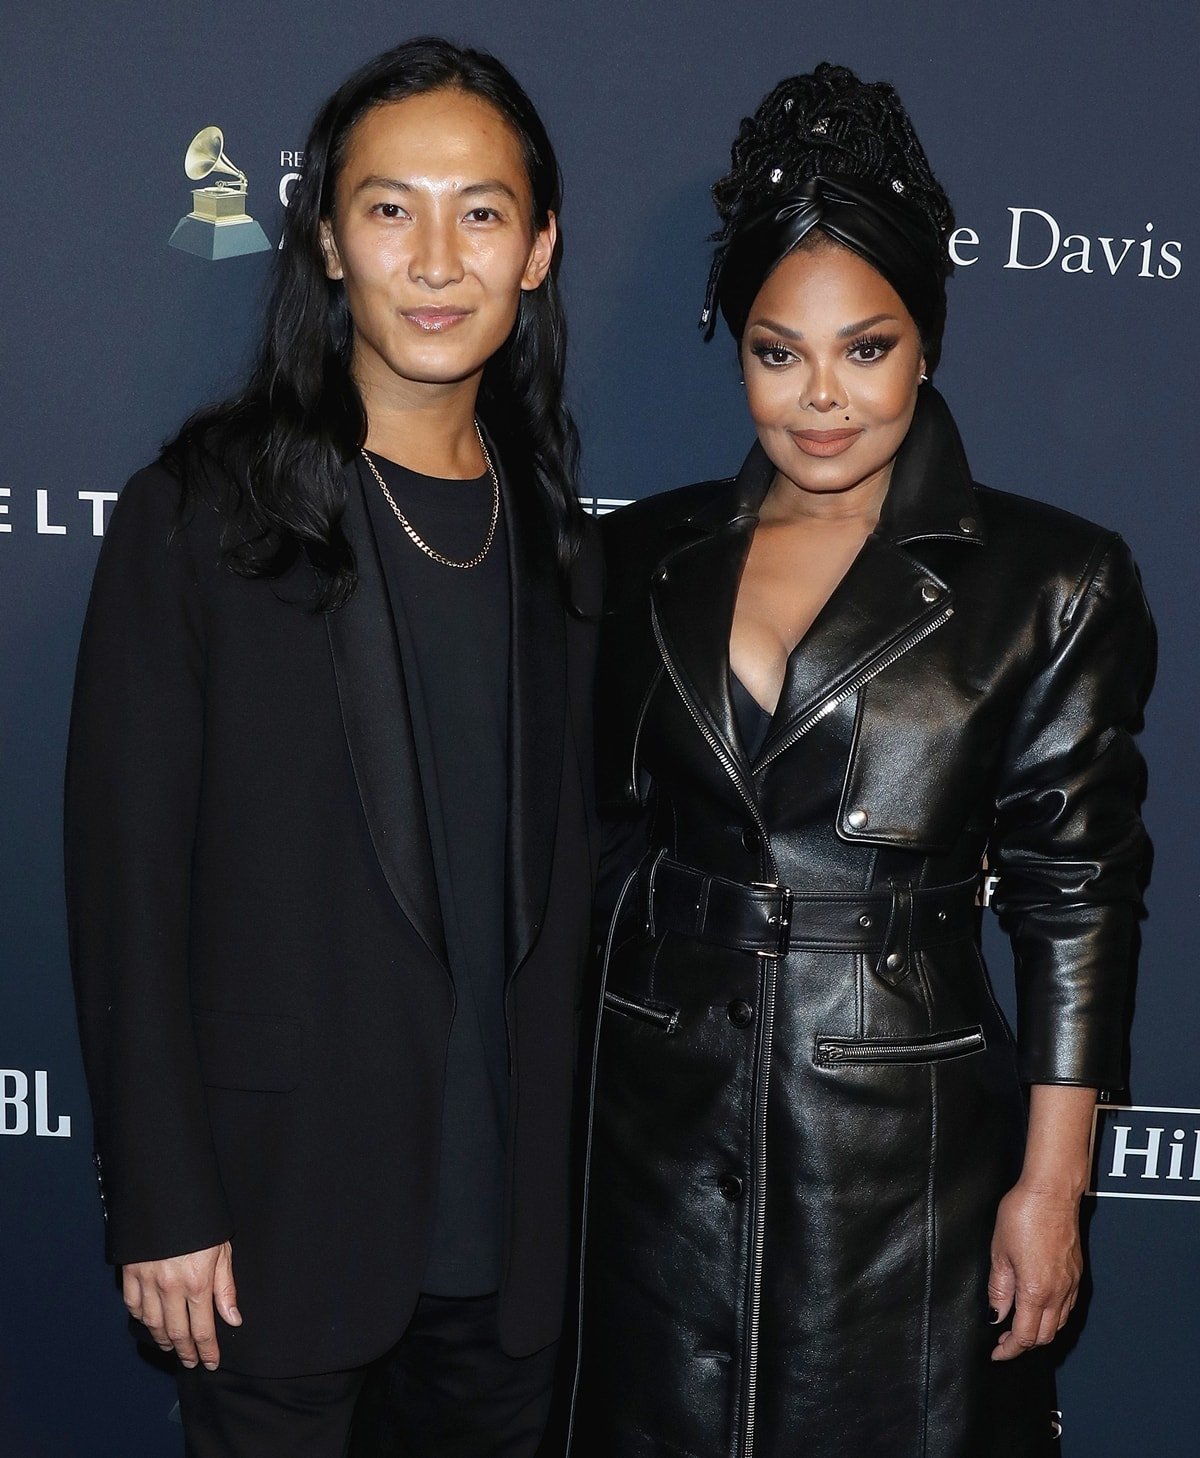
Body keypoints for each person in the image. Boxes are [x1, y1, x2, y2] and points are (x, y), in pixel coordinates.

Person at [571, 63, 1153, 1458]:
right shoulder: (637, 555)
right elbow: (588, 847)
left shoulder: (1052, 578)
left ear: (928, 342)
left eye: (866, 347)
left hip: (910, 1147)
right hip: (648, 1134)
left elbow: (1076, 891)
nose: (821, 397)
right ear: (738, 348)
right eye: (780, 351)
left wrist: (1053, 1183)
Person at [65, 36, 599, 1458]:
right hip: (273, 1226)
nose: (436, 257)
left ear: (537, 249)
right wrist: (164, 1200)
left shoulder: (563, 549)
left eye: (481, 211)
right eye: (389, 207)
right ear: (325, 240)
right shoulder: (203, 517)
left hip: (515, 1262)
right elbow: (127, 892)